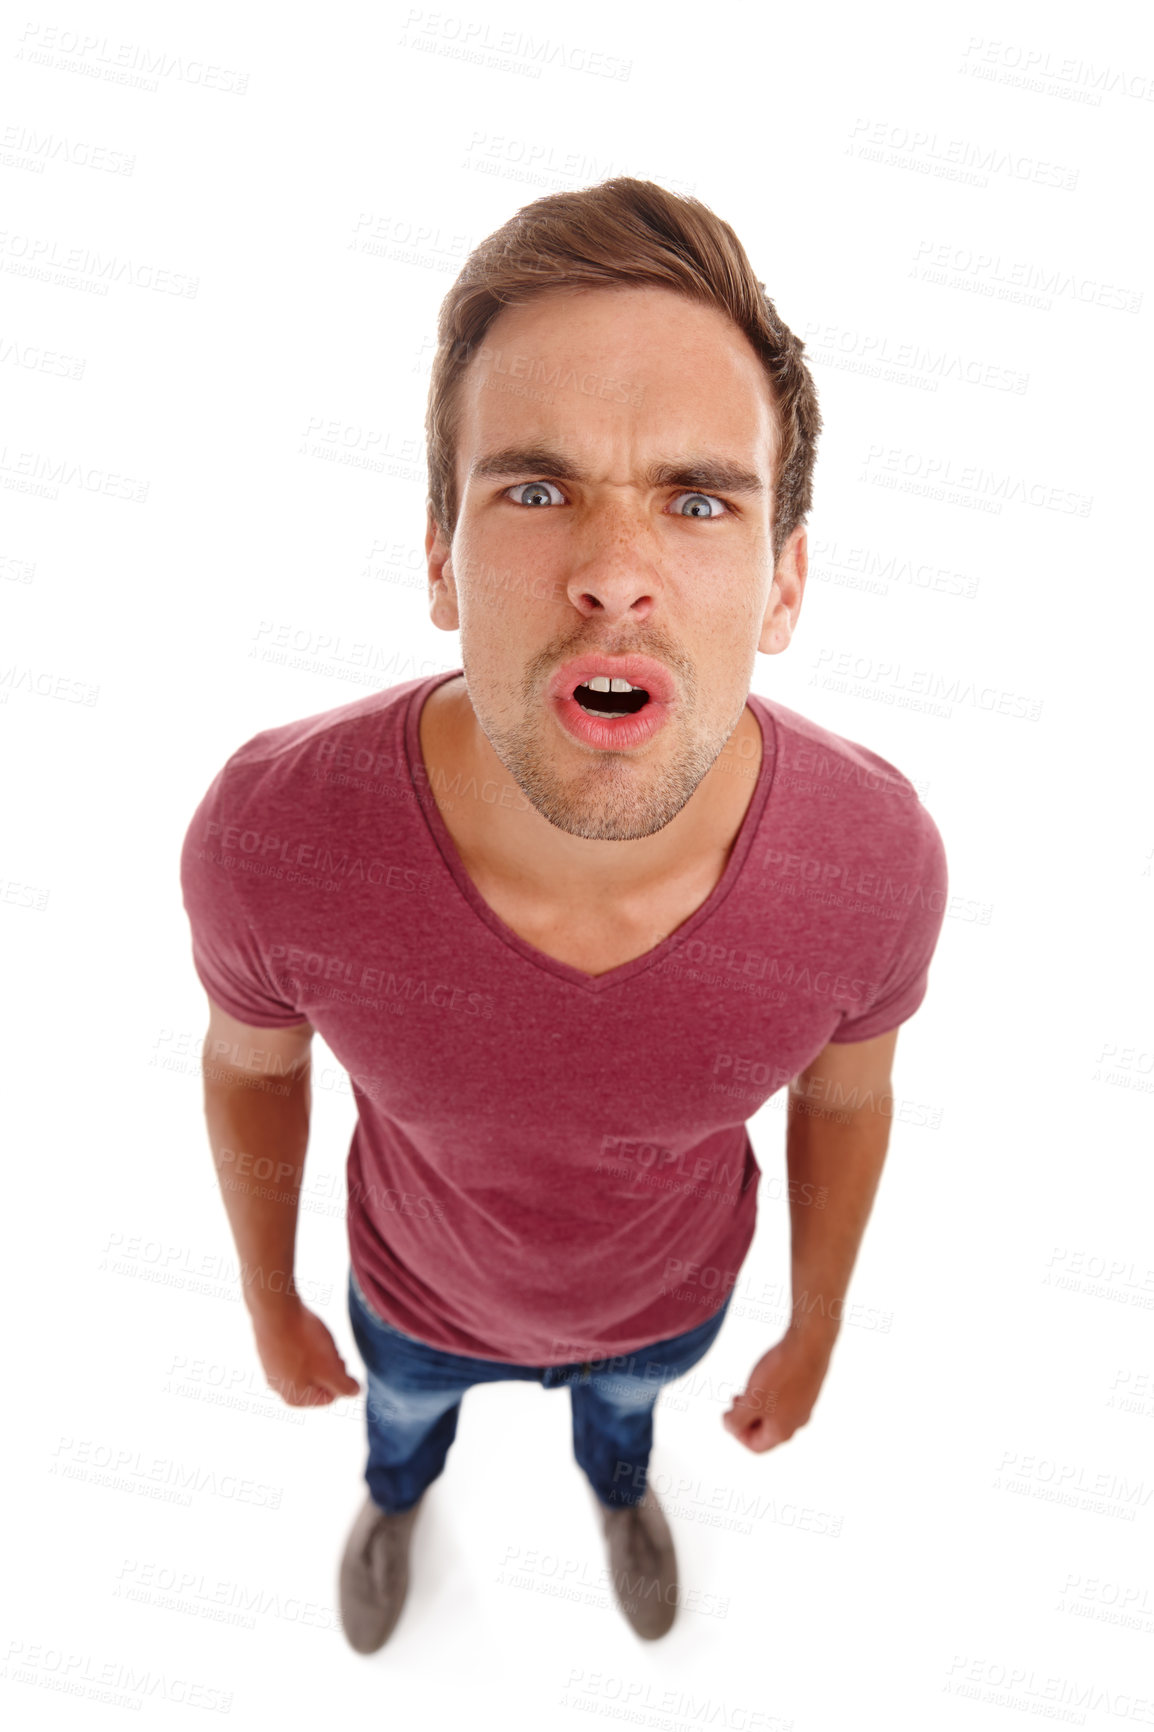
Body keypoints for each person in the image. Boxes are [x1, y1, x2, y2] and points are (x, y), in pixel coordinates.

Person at [179, 177, 948, 1652]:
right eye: (534, 489)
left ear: (782, 579)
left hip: (671, 1307)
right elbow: (250, 1065)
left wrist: (815, 1320)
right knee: (397, 1427)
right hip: (407, 1301)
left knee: (624, 1424)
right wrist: (273, 1301)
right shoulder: (273, 831)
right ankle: (396, 1496)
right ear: (435, 557)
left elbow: (848, 1101)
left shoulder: (876, 857)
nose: (611, 576)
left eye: (697, 497)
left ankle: (618, 1485)